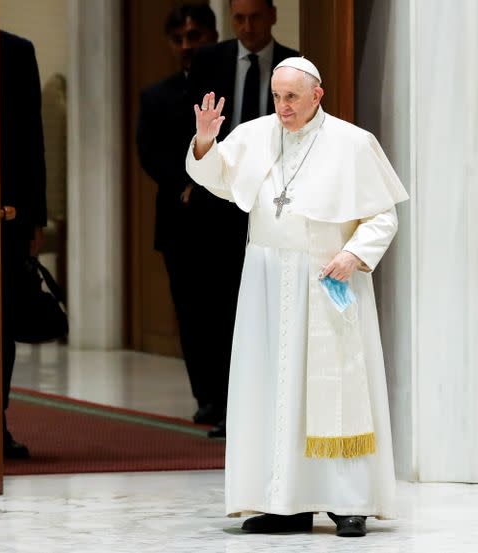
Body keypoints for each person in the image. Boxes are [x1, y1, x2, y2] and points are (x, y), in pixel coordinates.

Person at [185, 58, 409, 537]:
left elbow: (383, 217)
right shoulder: (257, 134)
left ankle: (349, 502)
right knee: (273, 390)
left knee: (335, 392)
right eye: (276, 96)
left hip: (326, 278)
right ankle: (284, 502)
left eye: (291, 97)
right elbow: (218, 176)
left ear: (317, 95)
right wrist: (205, 139)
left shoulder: (352, 143)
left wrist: (353, 255)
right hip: (266, 280)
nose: (282, 107)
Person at [186, 0, 299, 438]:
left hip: (277, 205)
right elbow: (192, 125)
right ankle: (222, 405)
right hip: (218, 203)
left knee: (268, 308)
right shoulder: (209, 61)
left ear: (272, 15)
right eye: (239, 18)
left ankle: (271, 406)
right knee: (217, 309)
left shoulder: (294, 67)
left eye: (255, 17)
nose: (248, 26)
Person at [136, 4, 220, 425]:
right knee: (190, 311)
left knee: (225, 309)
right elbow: (149, 153)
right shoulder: (156, 96)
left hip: (224, 217)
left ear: (212, 35)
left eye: (196, 36)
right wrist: (186, 182)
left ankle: (231, 395)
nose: (188, 46)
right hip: (178, 217)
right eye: (180, 38)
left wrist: (206, 182)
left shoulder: (225, 85)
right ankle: (205, 396)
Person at [0, 30, 48, 459]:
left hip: (6, 213)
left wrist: (36, 218)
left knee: (1, 323)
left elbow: (32, 139)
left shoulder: (16, 50)